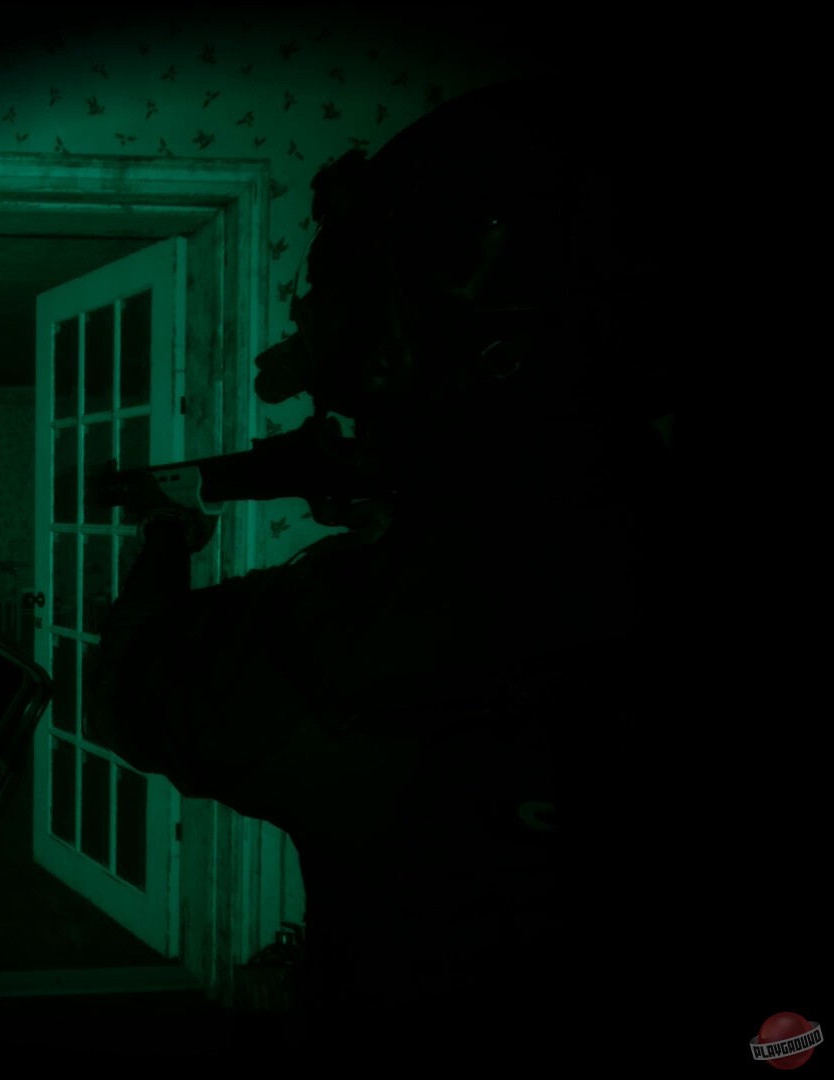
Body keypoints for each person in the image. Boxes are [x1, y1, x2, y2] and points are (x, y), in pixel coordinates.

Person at [81, 78, 682, 1068]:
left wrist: (166, 540)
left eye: (329, 304)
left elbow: (131, 690)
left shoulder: (358, 627)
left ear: (394, 341)